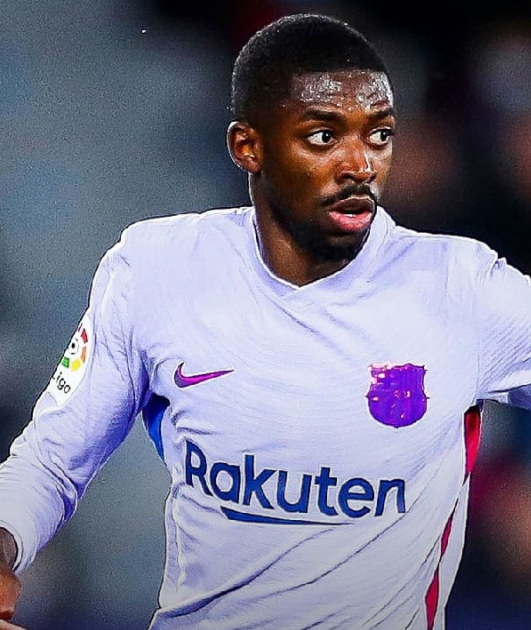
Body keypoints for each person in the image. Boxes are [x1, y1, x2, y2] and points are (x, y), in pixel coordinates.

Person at [0, 12, 530, 630]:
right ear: (247, 147)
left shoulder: (462, 289)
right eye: (323, 136)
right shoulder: (154, 270)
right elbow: (53, 459)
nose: (359, 165)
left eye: (378, 135)